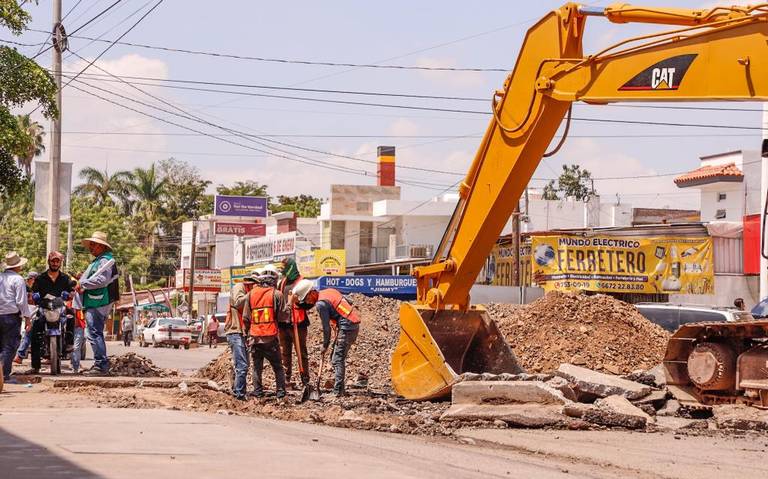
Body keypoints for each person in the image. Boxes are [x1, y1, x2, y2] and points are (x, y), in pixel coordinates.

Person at [291, 280, 360, 397]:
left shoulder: (321, 304)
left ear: (312, 293)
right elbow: (348, 301)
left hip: (347, 327)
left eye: (307, 299)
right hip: (350, 324)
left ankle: (338, 391)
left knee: (337, 359)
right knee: (335, 357)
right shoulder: (328, 291)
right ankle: (340, 388)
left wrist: (324, 346)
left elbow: (326, 328)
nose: (308, 302)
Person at [76, 232, 119, 377]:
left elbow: (102, 280)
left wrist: (82, 283)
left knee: (94, 332)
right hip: (94, 300)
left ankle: (101, 364)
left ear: (101, 246)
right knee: (94, 332)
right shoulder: (99, 261)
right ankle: (99, 364)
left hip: (98, 301)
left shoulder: (105, 261)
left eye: (93, 245)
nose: (91, 248)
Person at [26, 251, 75, 374]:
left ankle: (69, 342)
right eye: (53, 261)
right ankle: (35, 366)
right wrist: (35, 296)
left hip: (59, 307)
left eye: (57, 261)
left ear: (60, 263)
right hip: (44, 307)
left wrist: (70, 294)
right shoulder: (41, 278)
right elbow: (34, 292)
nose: (55, 263)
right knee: (35, 330)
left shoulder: (65, 278)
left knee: (71, 316)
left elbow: (71, 290)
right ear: (49, 261)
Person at [246, 270, 286, 399]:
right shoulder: (277, 295)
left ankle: (257, 391)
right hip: (270, 337)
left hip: (255, 338)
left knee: (257, 366)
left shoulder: (251, 294)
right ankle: (280, 392)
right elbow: (283, 316)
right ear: (273, 282)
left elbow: (246, 317)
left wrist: (248, 334)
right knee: (278, 366)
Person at [276, 258, 310, 388]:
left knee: (301, 352)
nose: (282, 270)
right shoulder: (282, 282)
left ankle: (305, 379)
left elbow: (310, 302)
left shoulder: (302, 282)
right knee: (285, 352)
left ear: (290, 267)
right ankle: (286, 378)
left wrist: (298, 302)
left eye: (284, 267)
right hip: (284, 323)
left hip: (298, 323)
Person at [0, 252, 33, 384]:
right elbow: (21, 301)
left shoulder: (1, 277)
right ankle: (5, 375)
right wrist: (28, 318)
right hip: (11, 317)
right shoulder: (18, 279)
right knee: (10, 346)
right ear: (18, 266)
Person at [224, 275, 256, 400]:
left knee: (244, 364)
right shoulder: (239, 288)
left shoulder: (247, 292)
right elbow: (237, 303)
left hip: (242, 332)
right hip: (234, 331)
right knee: (242, 365)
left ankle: (236, 387)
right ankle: (239, 394)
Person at [13, 271, 38, 365]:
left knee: (28, 333)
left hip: (33, 314)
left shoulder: (40, 289)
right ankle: (19, 354)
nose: (29, 281)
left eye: (31, 279)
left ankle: (20, 355)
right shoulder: (24, 288)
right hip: (24, 314)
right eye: (29, 279)